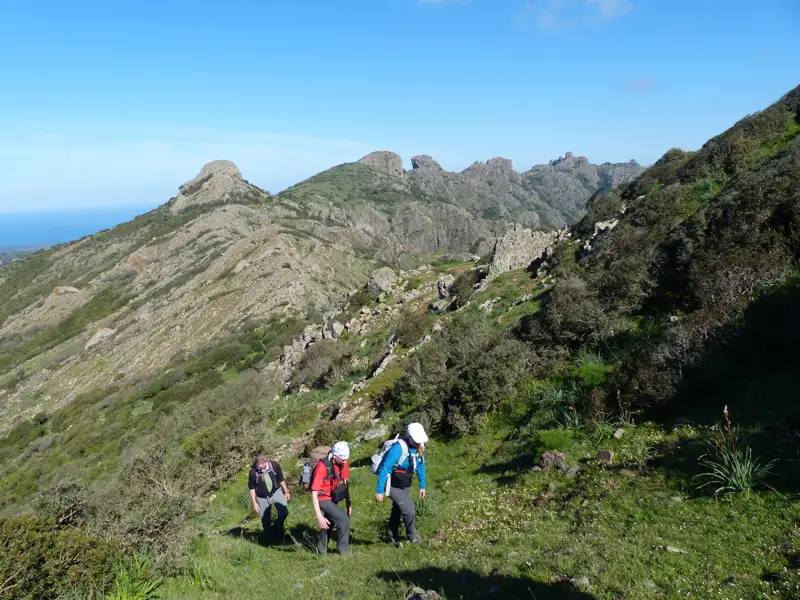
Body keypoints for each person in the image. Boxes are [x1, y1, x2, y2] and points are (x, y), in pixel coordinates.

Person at [375, 422, 428, 544]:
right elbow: (385, 468)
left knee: (398, 509)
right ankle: (412, 536)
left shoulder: (419, 447)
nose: (418, 442)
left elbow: (420, 466)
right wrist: (379, 490)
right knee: (409, 509)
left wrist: (422, 486)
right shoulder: (398, 448)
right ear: (410, 436)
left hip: (405, 483)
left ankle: (391, 534)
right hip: (392, 484)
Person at [311, 441, 352, 555]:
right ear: (334, 456)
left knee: (329, 522)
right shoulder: (322, 467)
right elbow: (314, 493)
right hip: (322, 498)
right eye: (343, 459)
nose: (345, 462)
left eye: (346, 459)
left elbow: (344, 482)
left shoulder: (343, 461)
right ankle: (343, 551)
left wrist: (349, 504)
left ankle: (320, 550)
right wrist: (319, 516)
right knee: (343, 519)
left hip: (332, 496)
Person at [248, 453, 291, 543]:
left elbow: (281, 479)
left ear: (266, 462)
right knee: (264, 518)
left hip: (276, 492)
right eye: (259, 467)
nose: (261, 469)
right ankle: (269, 537)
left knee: (284, 512)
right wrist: (254, 502)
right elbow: (252, 488)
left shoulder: (274, 466)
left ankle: (277, 528)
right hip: (262, 497)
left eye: (263, 466)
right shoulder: (253, 472)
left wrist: (286, 491)